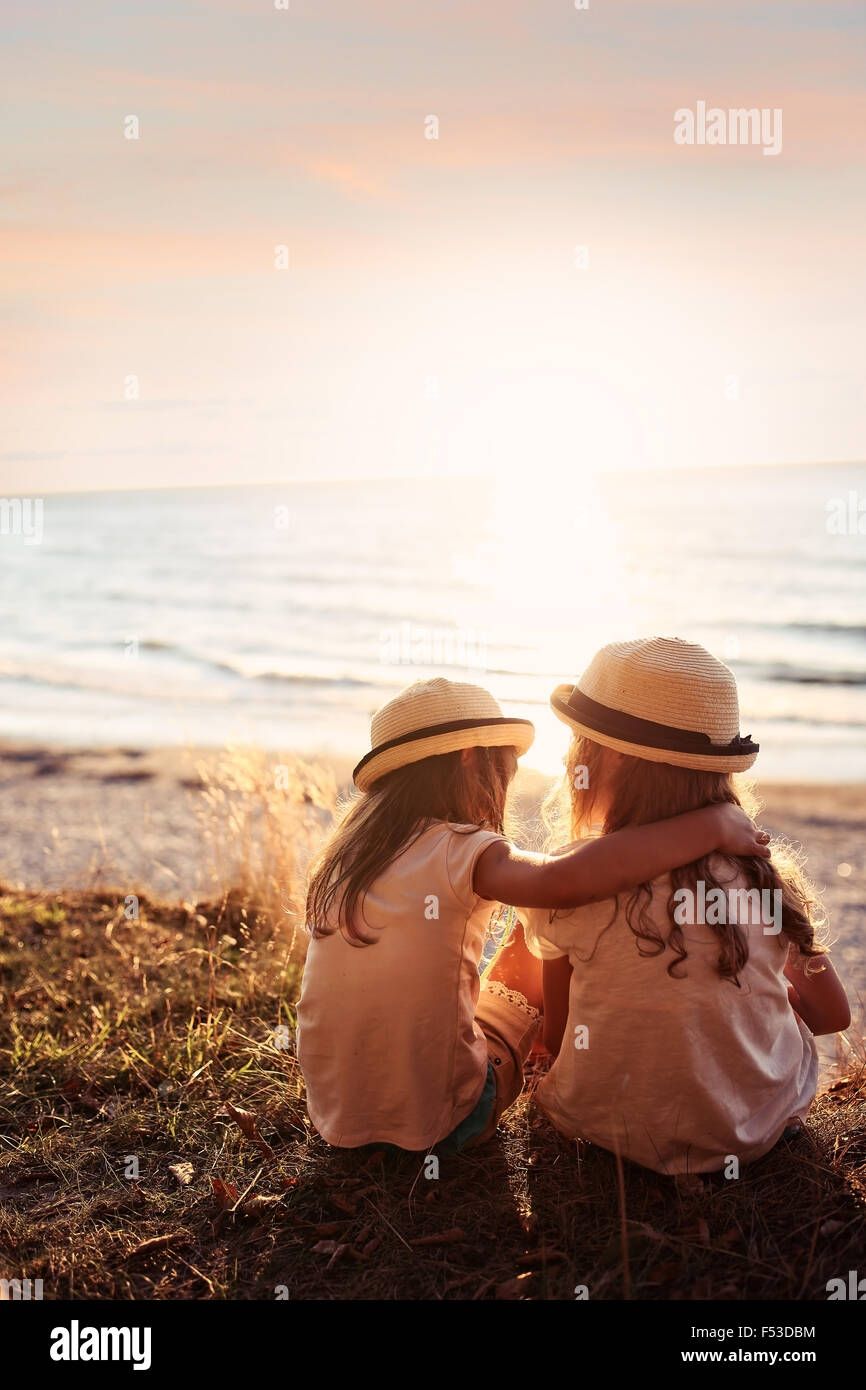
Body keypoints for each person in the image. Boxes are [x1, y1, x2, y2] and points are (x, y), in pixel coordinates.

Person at [296, 674, 771, 1154]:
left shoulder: (347, 855)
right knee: (523, 955)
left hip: (335, 1111)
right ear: (469, 758)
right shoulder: (461, 848)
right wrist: (709, 825)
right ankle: (526, 1055)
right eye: (504, 767)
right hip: (441, 1121)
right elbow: (560, 883)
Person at [523, 638, 850, 1174]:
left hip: (604, 1130)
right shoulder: (763, 875)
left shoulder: (572, 881)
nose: (567, 759)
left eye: (578, 745)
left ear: (606, 763)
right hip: (755, 1134)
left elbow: (558, 1038)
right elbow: (832, 1014)